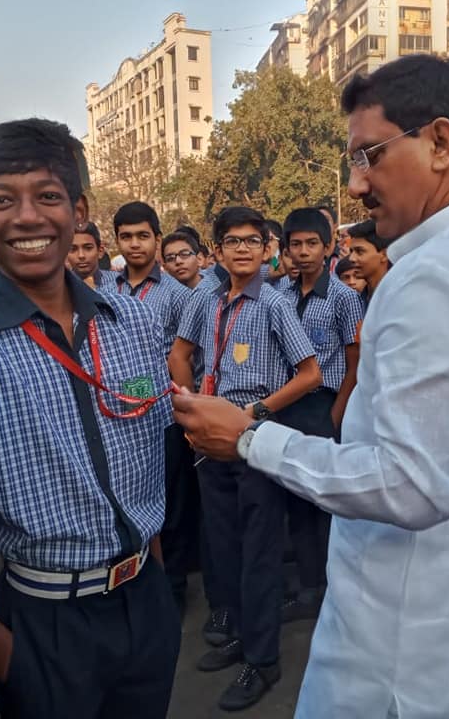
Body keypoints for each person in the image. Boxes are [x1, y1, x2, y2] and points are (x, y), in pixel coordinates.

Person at [171, 54, 449, 719]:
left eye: (368, 156)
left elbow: (410, 485)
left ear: (438, 142)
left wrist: (252, 441)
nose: (355, 185)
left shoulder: (429, 278)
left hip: (406, 658)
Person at [0, 119, 181, 719]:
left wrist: (152, 577)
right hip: (41, 622)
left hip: (145, 605)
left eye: (48, 197)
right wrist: (6, 653)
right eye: (3, 200)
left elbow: (151, 458)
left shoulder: (129, 324)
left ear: (79, 211)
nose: (28, 218)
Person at [170, 206, 322, 711]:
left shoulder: (275, 304)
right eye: (232, 240)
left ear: (267, 250)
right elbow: (179, 353)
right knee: (224, 546)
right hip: (210, 442)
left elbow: (309, 374)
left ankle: (264, 659)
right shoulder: (204, 300)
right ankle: (239, 631)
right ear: (217, 250)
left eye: (252, 241)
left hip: (256, 438)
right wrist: (191, 403)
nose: (242, 249)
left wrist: (255, 411)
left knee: (259, 552)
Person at [277, 207, 363, 623]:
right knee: (297, 498)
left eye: (313, 243)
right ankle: (309, 586)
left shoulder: (344, 298)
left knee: (327, 502)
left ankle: (336, 587)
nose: (304, 252)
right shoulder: (282, 297)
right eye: (296, 245)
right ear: (287, 250)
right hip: (289, 404)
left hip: (325, 404)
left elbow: (354, 361)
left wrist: (337, 414)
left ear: (329, 246)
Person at [113, 201, 190, 356]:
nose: (134, 244)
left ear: (158, 240)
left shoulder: (178, 294)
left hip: (162, 379)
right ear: (117, 242)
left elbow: (189, 359)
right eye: (126, 237)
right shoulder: (106, 291)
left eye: (143, 236)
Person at [346, 219, 390, 309]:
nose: (351, 258)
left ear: (384, 254)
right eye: (351, 251)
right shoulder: (360, 298)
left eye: (360, 251)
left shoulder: (397, 297)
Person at [68, 220, 116, 291]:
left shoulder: (118, 283)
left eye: (88, 248)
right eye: (73, 249)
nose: (81, 255)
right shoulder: (55, 288)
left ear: (100, 251)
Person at [316, 205, 340, 272]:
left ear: (335, 226)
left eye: (326, 219)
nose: (322, 223)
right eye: (317, 220)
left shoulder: (345, 255)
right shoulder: (308, 257)